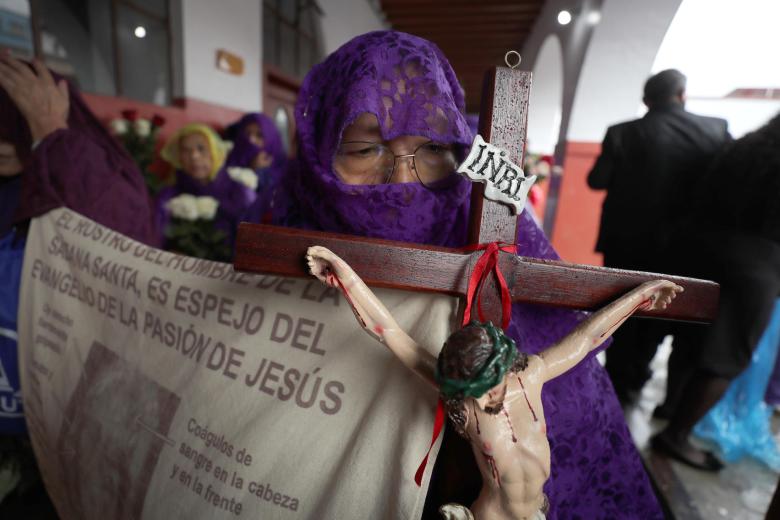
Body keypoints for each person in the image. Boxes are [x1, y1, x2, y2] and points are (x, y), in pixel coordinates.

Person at [245, 30, 665, 518]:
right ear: (318, 155)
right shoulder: (282, 239)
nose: (404, 180)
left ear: (460, 151)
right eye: (365, 150)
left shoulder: (500, 245)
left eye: (432, 148)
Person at [306, 245, 682, 519]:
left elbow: (587, 338)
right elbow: (390, 333)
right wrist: (343, 275)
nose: (488, 396)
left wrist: (641, 297)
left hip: (538, 509)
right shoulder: (463, 404)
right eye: (477, 390)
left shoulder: (529, 375)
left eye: (492, 384)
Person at [0, 52, 157, 515]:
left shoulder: (81, 169)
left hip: (70, 434)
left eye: (11, 116)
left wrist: (49, 132)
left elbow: (119, 236)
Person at [587, 69, 730, 405]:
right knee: (666, 310)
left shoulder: (622, 132)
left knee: (624, 309)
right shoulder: (716, 130)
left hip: (626, 242)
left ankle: (618, 382)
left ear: (646, 100)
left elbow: (597, 179)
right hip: (686, 245)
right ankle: (641, 372)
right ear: (682, 94)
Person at [652, 112, 780, 471]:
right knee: (726, 359)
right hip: (757, 263)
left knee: (692, 340)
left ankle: (669, 407)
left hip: (703, 249)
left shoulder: (744, 148)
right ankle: (676, 437)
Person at [157, 123, 257, 257]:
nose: (194, 156)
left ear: (215, 152)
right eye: (185, 150)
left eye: (201, 148)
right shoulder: (169, 195)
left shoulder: (239, 194)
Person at [224, 112, 287, 194]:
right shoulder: (229, 159)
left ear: (270, 139)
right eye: (247, 134)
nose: (251, 140)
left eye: (259, 135)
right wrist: (252, 169)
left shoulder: (283, 167)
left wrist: (260, 171)